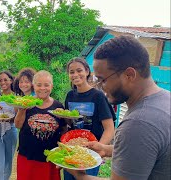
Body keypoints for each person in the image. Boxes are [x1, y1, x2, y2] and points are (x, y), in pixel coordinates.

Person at [66, 35, 170, 180]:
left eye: (103, 80)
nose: (100, 86)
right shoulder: (165, 98)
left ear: (129, 75)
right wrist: (107, 149)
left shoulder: (138, 124)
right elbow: (147, 151)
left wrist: (81, 177)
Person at [63, 57, 115, 179]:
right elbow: (69, 123)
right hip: (72, 151)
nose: (75, 74)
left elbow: (109, 129)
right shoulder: (70, 95)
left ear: (87, 71)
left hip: (90, 153)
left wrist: (98, 149)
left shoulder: (98, 96)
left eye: (79, 70)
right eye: (72, 72)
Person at [15, 70, 67, 180]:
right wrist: (21, 110)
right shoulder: (27, 103)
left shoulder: (58, 106)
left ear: (51, 86)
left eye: (46, 85)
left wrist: (62, 152)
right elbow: (18, 125)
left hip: (50, 158)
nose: (42, 88)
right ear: (34, 86)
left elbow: (64, 130)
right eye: (39, 85)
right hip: (28, 156)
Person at [0, 71, 18, 180]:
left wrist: (14, 113)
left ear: (11, 80)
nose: (3, 82)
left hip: (10, 130)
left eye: (5, 79)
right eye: (0, 80)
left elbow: (18, 118)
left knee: (8, 163)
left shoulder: (16, 96)